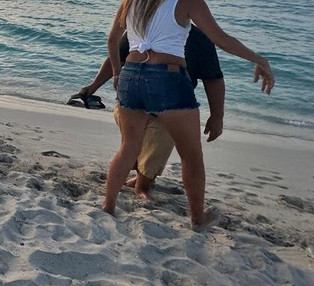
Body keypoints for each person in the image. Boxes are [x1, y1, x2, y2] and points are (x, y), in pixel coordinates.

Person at [103, 0, 275, 228]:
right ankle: (197, 218)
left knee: (127, 147)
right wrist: (259, 59)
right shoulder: (188, 0)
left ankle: (108, 206)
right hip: (168, 78)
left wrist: (118, 73)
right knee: (191, 156)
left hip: (132, 75)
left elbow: (112, 40)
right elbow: (220, 38)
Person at [77, 26, 224, 198]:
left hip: (170, 108)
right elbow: (116, 58)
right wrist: (93, 86)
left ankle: (143, 185)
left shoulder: (199, 39)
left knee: (158, 145)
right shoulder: (140, 28)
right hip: (133, 103)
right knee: (132, 149)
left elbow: (213, 79)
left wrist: (217, 116)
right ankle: (125, 186)